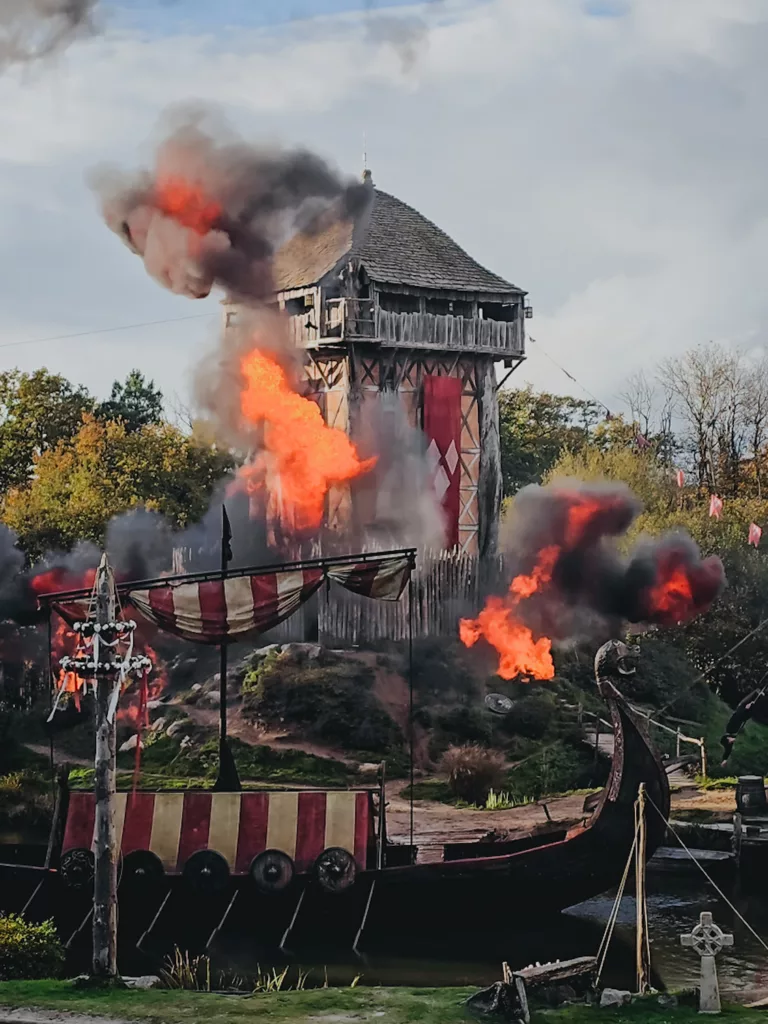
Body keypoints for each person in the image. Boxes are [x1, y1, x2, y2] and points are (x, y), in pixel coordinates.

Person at [721, 685, 768, 765]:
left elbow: (736, 716)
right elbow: (728, 750)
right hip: (747, 714)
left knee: (755, 694)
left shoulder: (730, 728)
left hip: (742, 708)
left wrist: (745, 708)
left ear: (728, 738)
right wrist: (724, 760)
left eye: (730, 741)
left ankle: (760, 689)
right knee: (758, 706)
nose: (733, 741)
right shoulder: (732, 738)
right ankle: (763, 693)